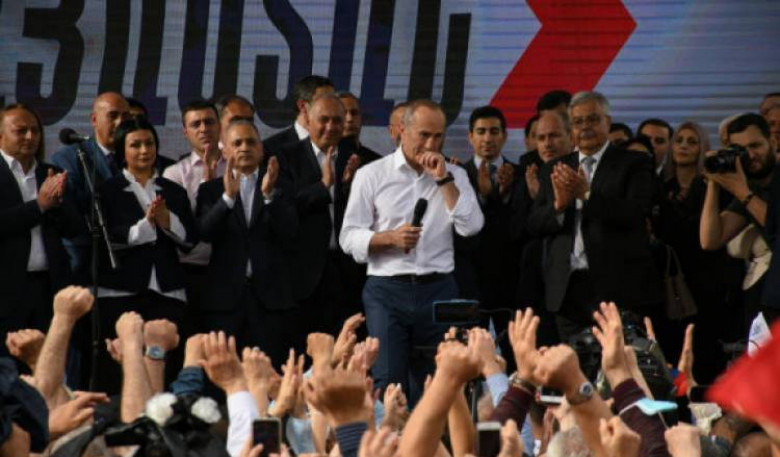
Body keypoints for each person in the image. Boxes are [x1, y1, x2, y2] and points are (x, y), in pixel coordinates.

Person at [340, 99, 484, 403]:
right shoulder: (372, 174)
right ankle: (388, 433)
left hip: (439, 288)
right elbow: (348, 236)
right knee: (387, 379)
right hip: (387, 290)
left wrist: (444, 180)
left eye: (438, 136)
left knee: (442, 378)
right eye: (424, 135)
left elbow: (471, 227)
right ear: (401, 132)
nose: (431, 145)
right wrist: (388, 238)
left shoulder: (455, 175)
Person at [527, 91, 661, 342]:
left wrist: (586, 194)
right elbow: (534, 224)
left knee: (620, 362)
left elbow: (635, 213)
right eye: (578, 122)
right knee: (573, 364)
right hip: (567, 291)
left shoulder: (634, 163)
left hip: (618, 289)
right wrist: (558, 206)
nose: (585, 127)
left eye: (592, 119)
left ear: (607, 122)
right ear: (571, 129)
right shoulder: (554, 168)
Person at [95, 117, 196, 393]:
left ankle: (164, 416)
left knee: (165, 365)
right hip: (120, 291)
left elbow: (189, 240)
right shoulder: (106, 191)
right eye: (135, 145)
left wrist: (166, 220)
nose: (144, 150)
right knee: (120, 367)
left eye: (149, 143)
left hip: (166, 291)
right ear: (122, 150)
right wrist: (146, 225)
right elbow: (105, 237)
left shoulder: (173, 191)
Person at [197, 119, 298, 366]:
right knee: (222, 373)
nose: (244, 147)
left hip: (270, 301)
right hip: (225, 301)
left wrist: (269, 195)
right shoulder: (211, 190)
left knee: (269, 373)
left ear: (261, 150)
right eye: (237, 143)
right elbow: (204, 232)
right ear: (225, 151)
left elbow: (290, 232)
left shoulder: (282, 187)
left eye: (251, 142)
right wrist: (227, 199)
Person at [280, 94, 374, 339]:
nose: (331, 127)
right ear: (308, 119)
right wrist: (323, 187)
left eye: (337, 120)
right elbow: (284, 209)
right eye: (324, 120)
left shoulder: (359, 158)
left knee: (349, 349)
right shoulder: (285, 156)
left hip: (349, 275)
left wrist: (348, 187)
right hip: (302, 275)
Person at [656, 122, 742, 381]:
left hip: (707, 283)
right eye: (679, 140)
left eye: (692, 141)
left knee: (704, 354)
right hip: (669, 283)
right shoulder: (660, 188)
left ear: (703, 148)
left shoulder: (714, 187)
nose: (683, 146)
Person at [0, 104, 82, 353]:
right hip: (7, 288)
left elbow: (74, 229)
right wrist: (39, 206)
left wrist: (58, 204)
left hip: (48, 286)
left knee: (48, 362)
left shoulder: (51, 173)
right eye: (21, 131)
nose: (30, 137)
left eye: (35, 131)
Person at [701, 113, 778, 324]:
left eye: (756, 145)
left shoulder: (748, 191)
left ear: (772, 142)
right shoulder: (751, 188)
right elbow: (710, 240)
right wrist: (714, 182)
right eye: (741, 150)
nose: (750, 155)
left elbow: (776, 226)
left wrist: (742, 191)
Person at [51, 92, 130, 284]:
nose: (120, 122)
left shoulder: (138, 156)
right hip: (87, 262)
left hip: (130, 263)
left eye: (126, 117)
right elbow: (75, 211)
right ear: (94, 120)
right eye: (113, 116)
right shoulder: (70, 156)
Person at [263, 75, 335, 156]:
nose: (333, 107)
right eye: (324, 101)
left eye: (334, 101)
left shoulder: (341, 146)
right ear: (302, 106)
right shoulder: (270, 149)